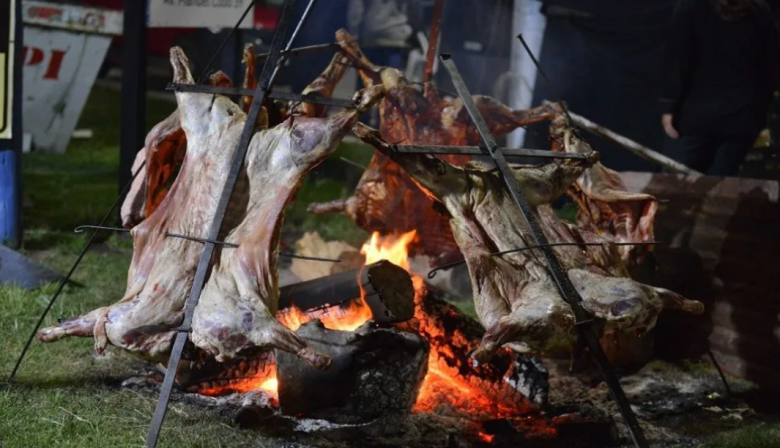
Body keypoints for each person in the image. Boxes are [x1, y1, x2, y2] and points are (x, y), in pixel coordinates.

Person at [659, 0, 780, 176]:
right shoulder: (758, 9)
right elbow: (772, 66)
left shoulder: (691, 7)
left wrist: (668, 106)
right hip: (742, 116)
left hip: (696, 117)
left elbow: (677, 60)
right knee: (721, 188)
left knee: (677, 185)